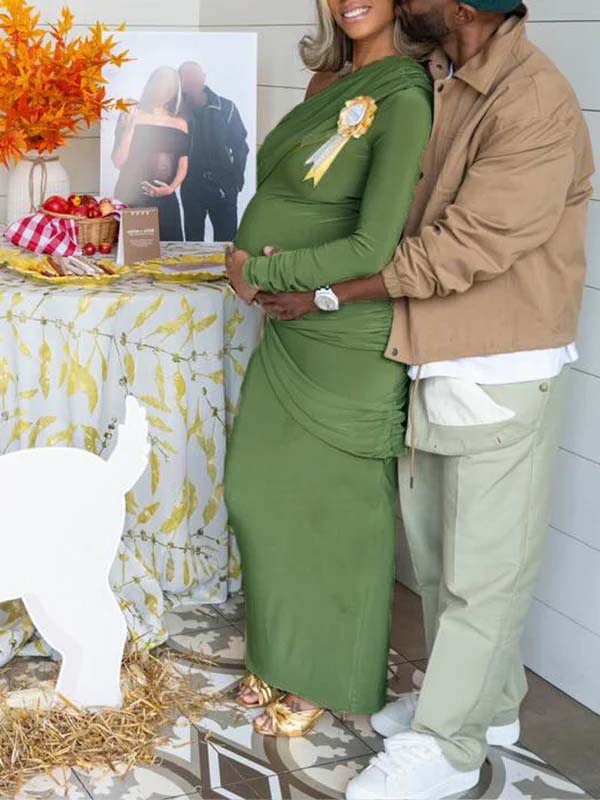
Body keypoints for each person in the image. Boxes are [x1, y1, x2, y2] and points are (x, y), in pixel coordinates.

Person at [232, 1, 595, 798]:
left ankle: (450, 747)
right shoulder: (446, 75)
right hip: (431, 351)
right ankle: (488, 707)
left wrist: (324, 292)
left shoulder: (533, 99)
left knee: (483, 573)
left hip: (499, 360)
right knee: (436, 557)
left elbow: (462, 248)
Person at [224, 0, 432, 738]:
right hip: (289, 326)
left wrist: (268, 273)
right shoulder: (325, 85)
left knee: (339, 510)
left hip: (343, 333)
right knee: (260, 491)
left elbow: (375, 244)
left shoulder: (406, 96)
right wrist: (251, 270)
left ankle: (332, 675)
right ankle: (281, 654)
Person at [112, 66, 190, 241]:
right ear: (150, 84)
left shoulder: (180, 123)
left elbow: (183, 164)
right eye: (160, 84)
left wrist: (171, 188)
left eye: (169, 87)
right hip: (131, 196)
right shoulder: (131, 113)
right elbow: (118, 161)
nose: (163, 91)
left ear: (174, 92)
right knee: (133, 252)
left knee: (171, 251)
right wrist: (131, 126)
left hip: (166, 199)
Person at [178, 62, 249, 242]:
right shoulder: (177, 110)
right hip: (191, 185)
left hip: (223, 185)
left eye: (196, 75)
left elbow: (241, 145)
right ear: (180, 81)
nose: (192, 80)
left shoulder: (225, 107)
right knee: (193, 242)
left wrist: (236, 181)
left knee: (226, 243)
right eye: (187, 76)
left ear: (204, 77)